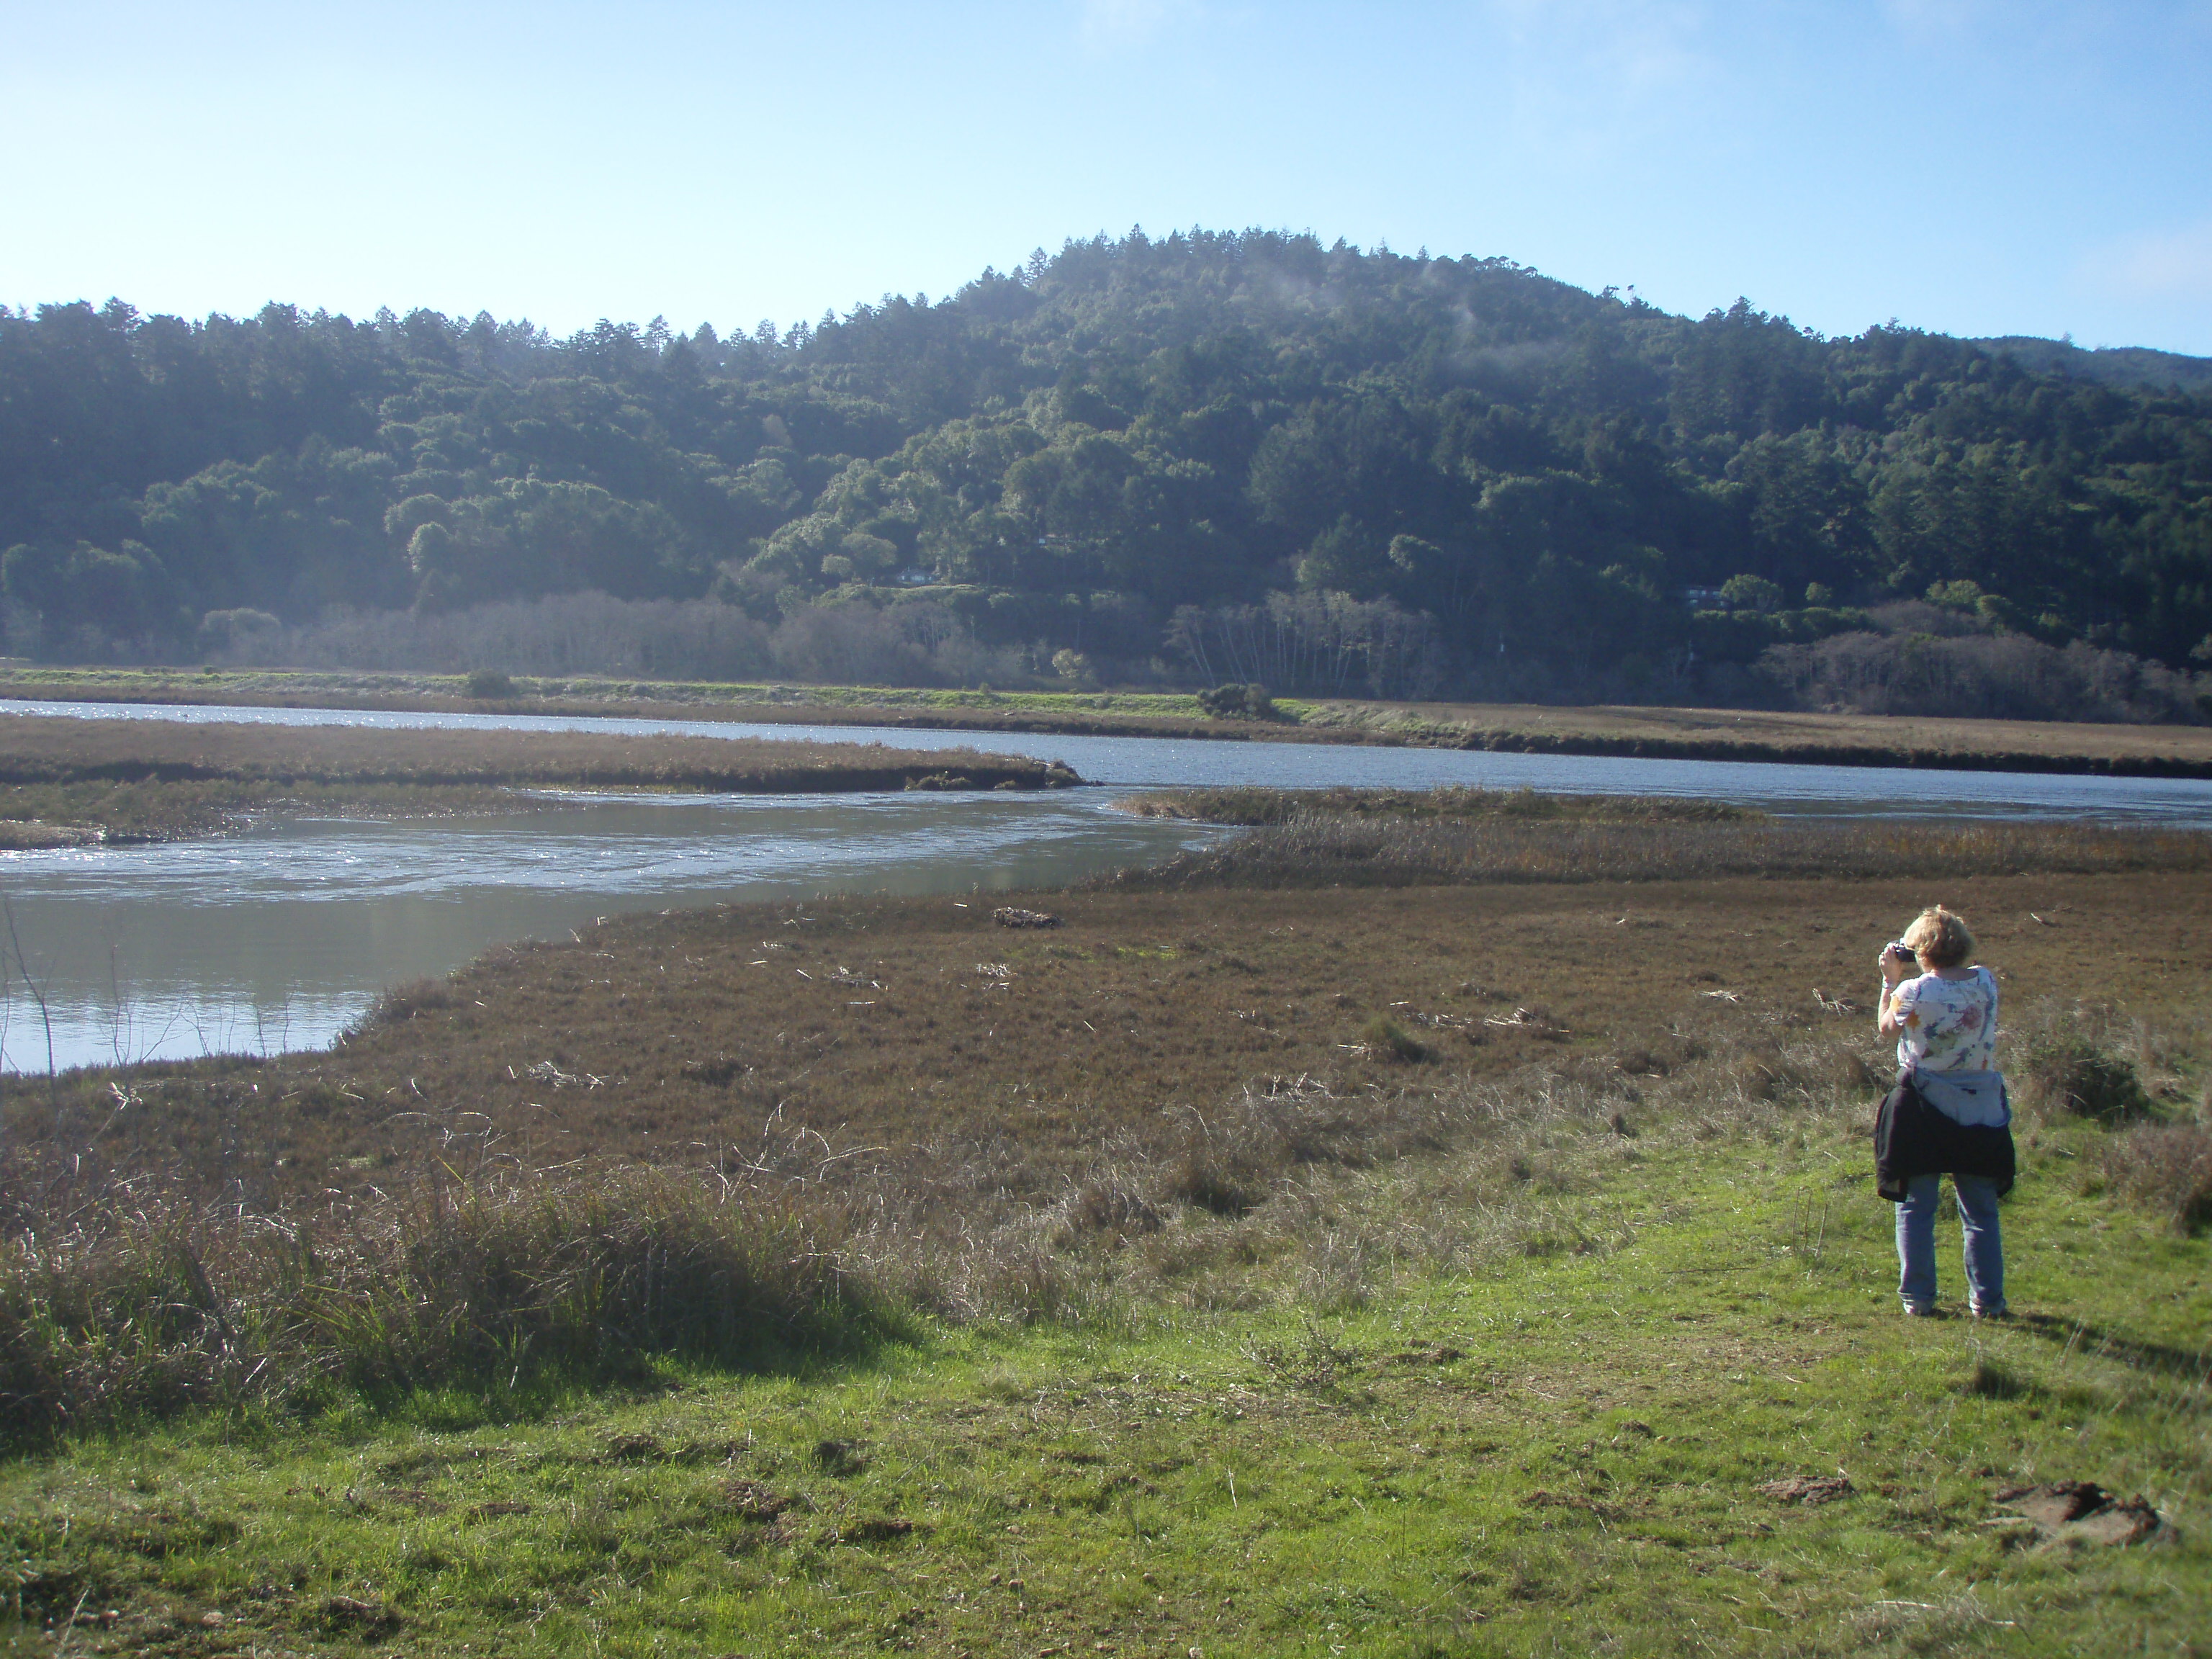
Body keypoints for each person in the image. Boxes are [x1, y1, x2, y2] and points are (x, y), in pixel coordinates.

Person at [1873, 905, 2013, 1318]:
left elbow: (1886, 1029)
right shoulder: (1985, 981)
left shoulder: (1914, 991)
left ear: (1922, 950)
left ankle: (1918, 1300)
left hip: (1922, 1103)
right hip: (1980, 1102)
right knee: (1981, 1211)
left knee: (1916, 1206)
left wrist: (1889, 981)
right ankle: (1988, 1301)